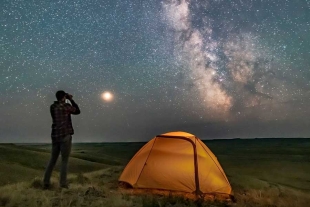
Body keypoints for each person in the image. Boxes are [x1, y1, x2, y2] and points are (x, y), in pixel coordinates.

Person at [43, 90, 81, 189]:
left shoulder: (53, 107)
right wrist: (71, 100)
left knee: (52, 160)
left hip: (55, 136)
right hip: (65, 135)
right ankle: (63, 184)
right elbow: (77, 111)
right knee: (64, 160)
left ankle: (46, 182)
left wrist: (65, 98)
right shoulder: (66, 107)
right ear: (64, 97)